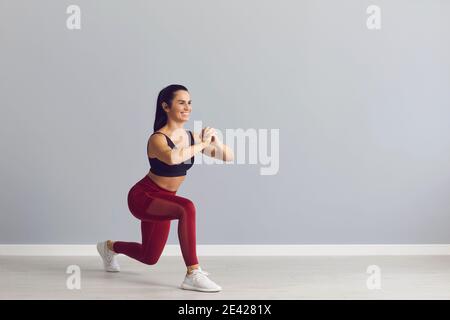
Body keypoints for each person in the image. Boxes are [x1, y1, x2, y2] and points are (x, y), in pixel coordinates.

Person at [97, 84, 234, 292]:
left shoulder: (191, 137)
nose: (187, 107)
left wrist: (215, 142)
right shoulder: (157, 139)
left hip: (164, 201)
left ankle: (109, 247)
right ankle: (192, 273)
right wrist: (202, 144)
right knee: (187, 207)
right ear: (166, 106)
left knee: (149, 256)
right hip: (143, 197)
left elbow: (228, 157)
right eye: (181, 102)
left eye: (189, 103)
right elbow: (172, 158)